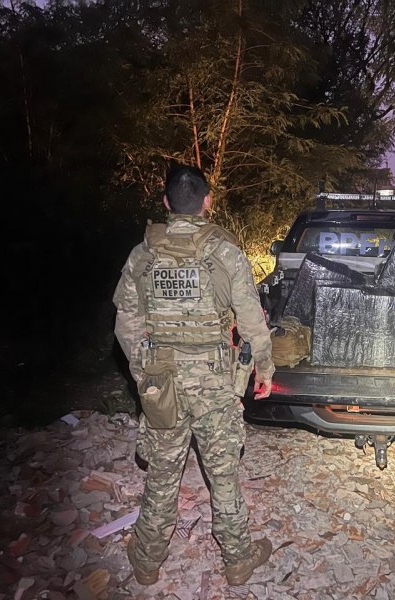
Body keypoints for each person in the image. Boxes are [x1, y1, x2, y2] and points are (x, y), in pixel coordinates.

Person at [113, 165, 275, 586]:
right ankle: (238, 559)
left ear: (166, 203)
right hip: (215, 382)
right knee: (222, 473)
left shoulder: (142, 254)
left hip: (161, 379)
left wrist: (143, 375)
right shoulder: (225, 252)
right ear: (207, 202)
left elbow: (126, 325)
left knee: (163, 473)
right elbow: (252, 320)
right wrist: (265, 368)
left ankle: (147, 561)